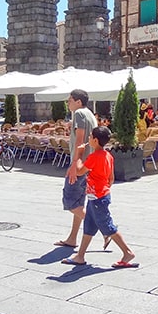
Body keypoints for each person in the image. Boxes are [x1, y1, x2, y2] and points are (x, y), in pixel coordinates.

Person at [61, 126, 138, 268]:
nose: (88, 139)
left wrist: (78, 154)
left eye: (90, 137)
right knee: (89, 226)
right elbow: (111, 178)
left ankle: (127, 252)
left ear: (95, 140)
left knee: (108, 227)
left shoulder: (93, 157)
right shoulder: (108, 156)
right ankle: (80, 256)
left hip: (97, 198)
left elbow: (79, 172)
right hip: (98, 196)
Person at [55, 89, 98, 249]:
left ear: (78, 101)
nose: (68, 103)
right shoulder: (90, 114)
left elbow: (80, 140)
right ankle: (72, 238)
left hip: (80, 164)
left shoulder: (79, 114)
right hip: (88, 164)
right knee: (79, 202)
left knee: (71, 202)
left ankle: (104, 229)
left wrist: (74, 164)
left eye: (70, 100)